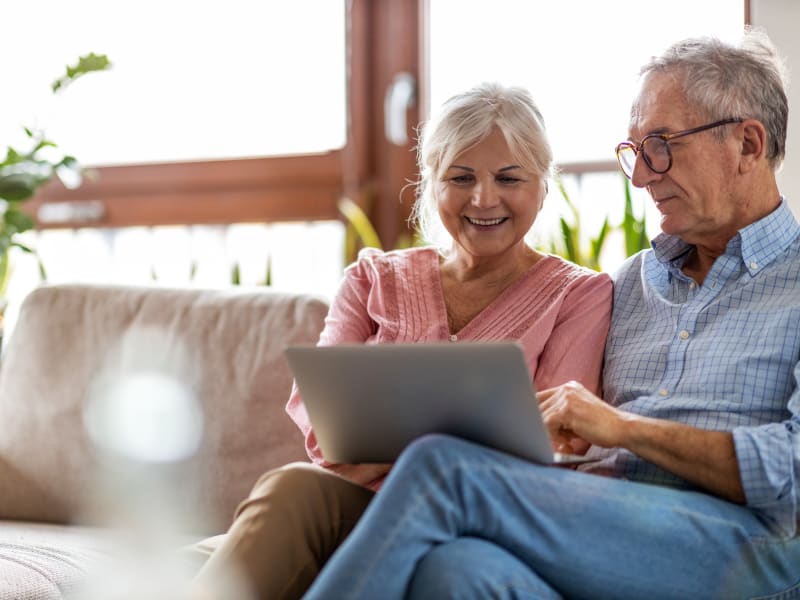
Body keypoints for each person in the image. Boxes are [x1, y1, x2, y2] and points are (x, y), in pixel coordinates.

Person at [303, 29, 800, 600]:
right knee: (456, 571)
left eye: (661, 145)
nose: (639, 175)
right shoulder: (629, 283)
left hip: (743, 541)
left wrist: (623, 429)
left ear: (749, 144)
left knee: (444, 468)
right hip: (597, 522)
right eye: (635, 151)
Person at [191, 82, 612, 599]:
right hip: (360, 509)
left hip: (475, 524)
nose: (484, 198)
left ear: (543, 186)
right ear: (431, 184)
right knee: (295, 485)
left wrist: (395, 451)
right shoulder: (372, 278)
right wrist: (446, 444)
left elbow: (549, 446)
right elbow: (328, 434)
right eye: (460, 177)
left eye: (509, 178)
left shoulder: (579, 294)